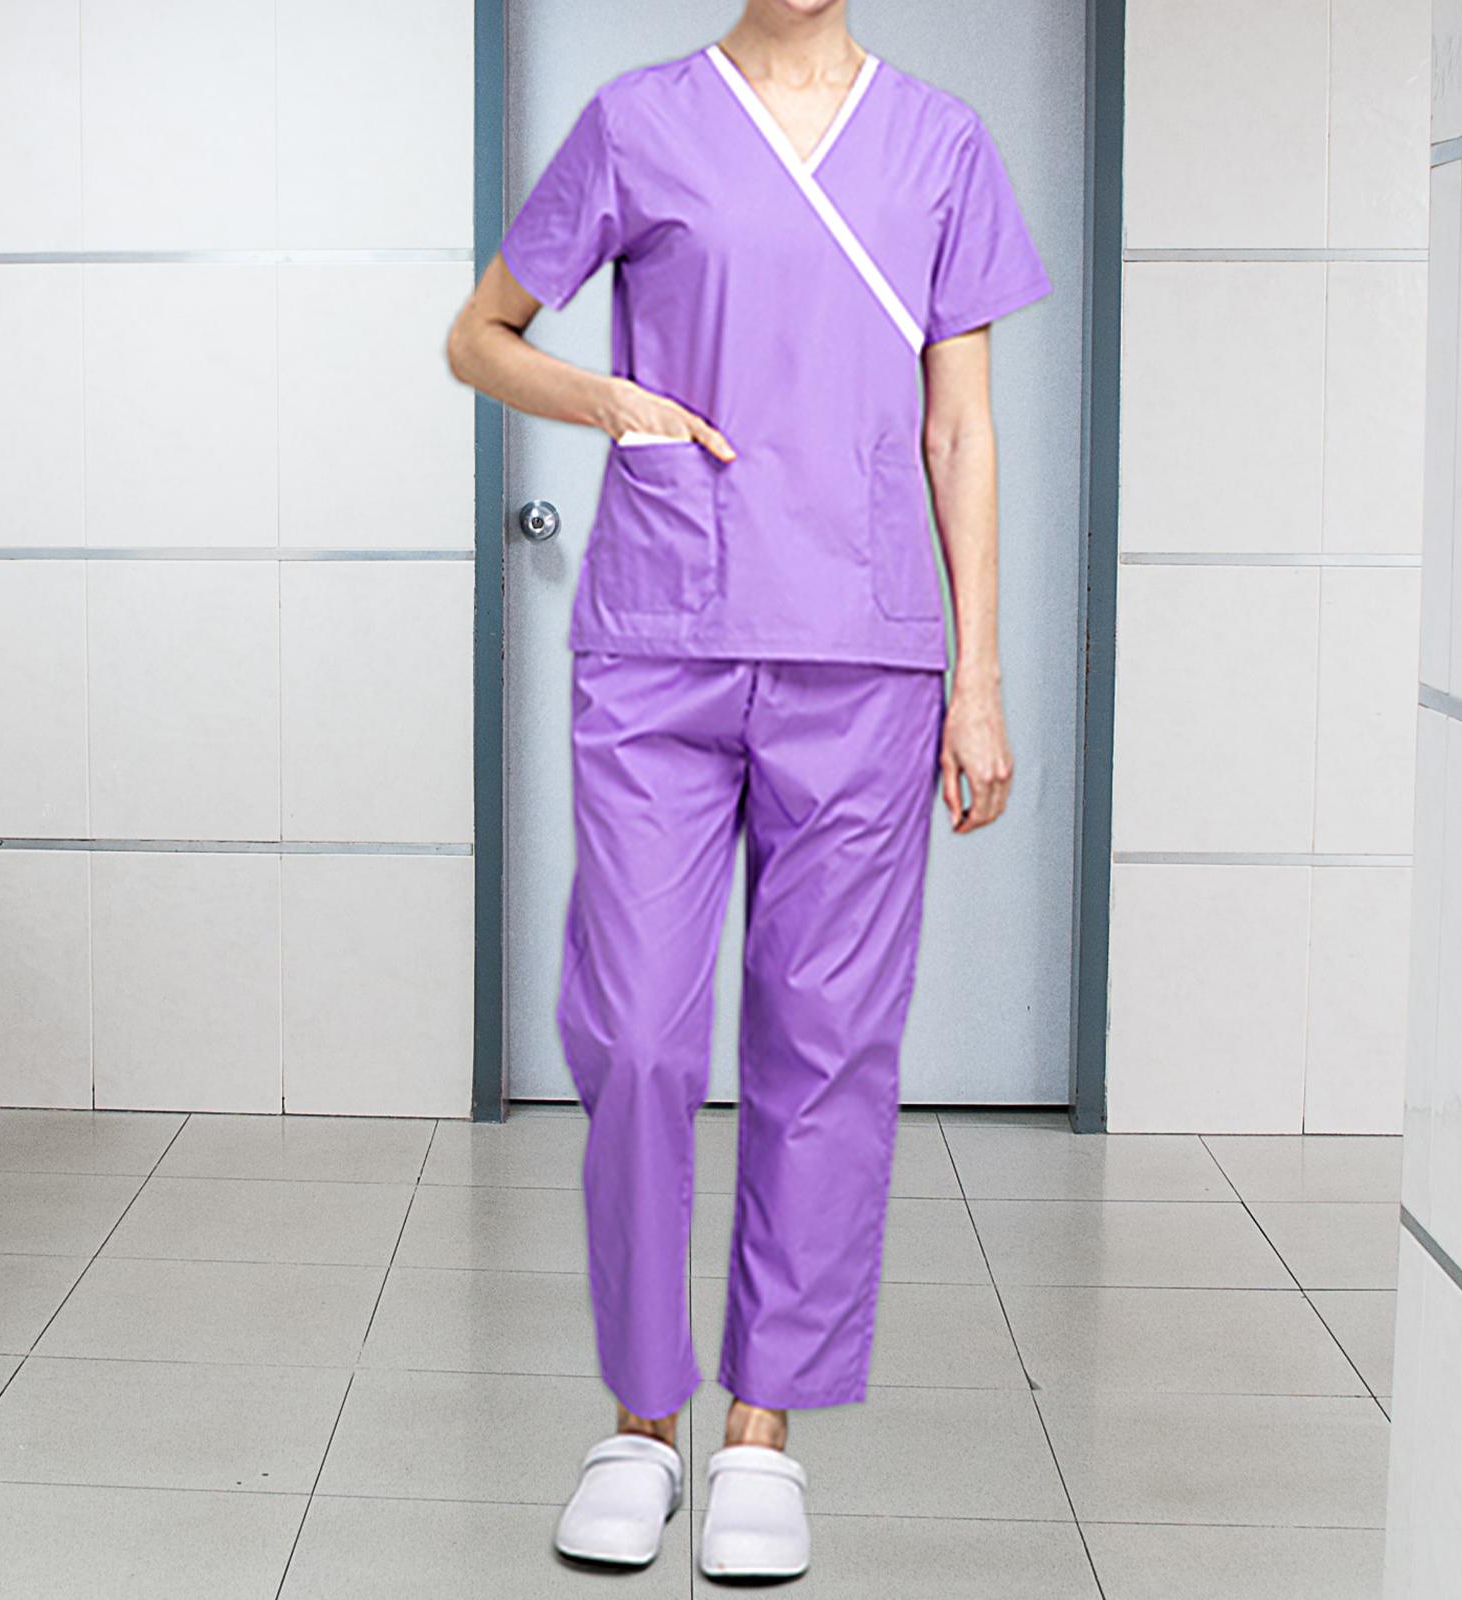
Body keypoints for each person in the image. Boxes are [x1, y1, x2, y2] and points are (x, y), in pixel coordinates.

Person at [446, 0, 1050, 1580]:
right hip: (661, 638)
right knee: (638, 1036)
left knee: (826, 1045)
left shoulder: (941, 145)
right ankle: (641, 1421)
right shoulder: (638, 121)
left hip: (864, 650)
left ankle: (762, 1433)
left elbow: (961, 427)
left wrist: (979, 677)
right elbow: (478, 335)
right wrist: (608, 401)